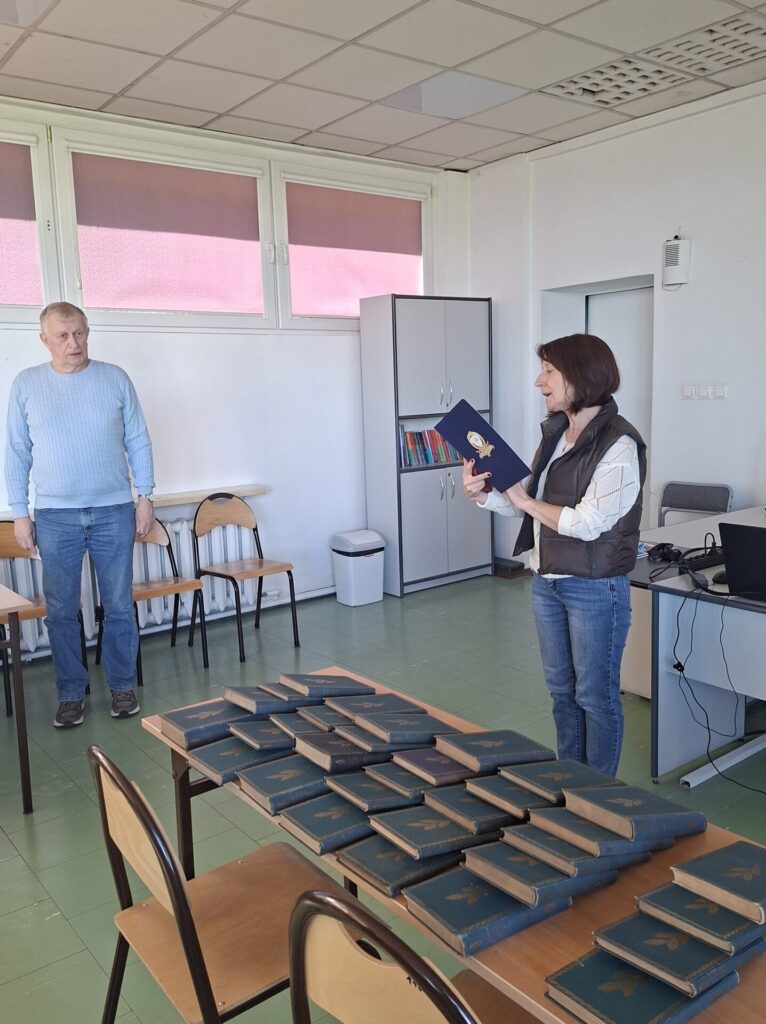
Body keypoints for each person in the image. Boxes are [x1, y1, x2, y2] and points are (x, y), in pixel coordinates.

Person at [463, 334, 646, 776]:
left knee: (595, 698)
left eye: (548, 371)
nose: (538, 382)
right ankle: (570, 782)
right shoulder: (556, 434)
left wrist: (525, 501)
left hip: (596, 588)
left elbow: (587, 522)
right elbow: (527, 502)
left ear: (581, 376)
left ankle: (598, 798)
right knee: (562, 693)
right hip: (547, 582)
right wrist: (484, 495)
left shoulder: (621, 445)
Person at [4, 301, 155, 728]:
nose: (74, 343)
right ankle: (71, 694)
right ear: (44, 340)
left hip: (114, 509)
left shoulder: (115, 378)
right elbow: (16, 451)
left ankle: (122, 687)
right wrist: (19, 513)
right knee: (61, 611)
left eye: (80, 333)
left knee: (119, 605)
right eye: (63, 336)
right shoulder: (27, 384)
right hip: (54, 516)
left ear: (87, 332)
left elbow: (138, 440)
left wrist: (145, 496)